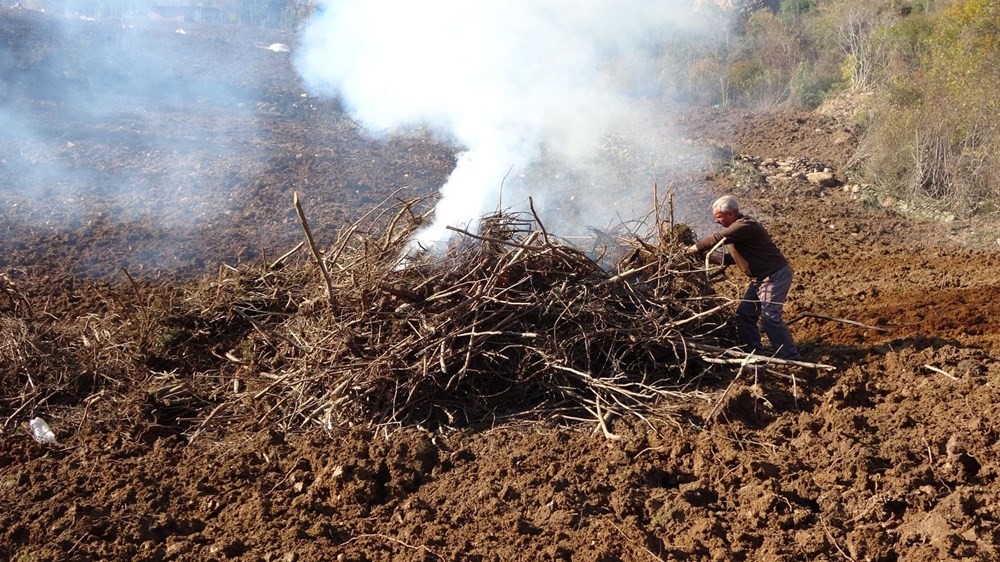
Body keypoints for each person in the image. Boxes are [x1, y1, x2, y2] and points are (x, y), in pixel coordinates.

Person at [684, 195, 802, 361]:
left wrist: (690, 250)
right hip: (760, 279)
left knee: (770, 318)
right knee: (744, 315)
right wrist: (708, 258)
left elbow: (716, 239)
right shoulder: (737, 232)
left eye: (719, 217)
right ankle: (756, 355)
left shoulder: (745, 225)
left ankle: (791, 358)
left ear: (731, 214)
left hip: (775, 276)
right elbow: (734, 259)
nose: (716, 221)